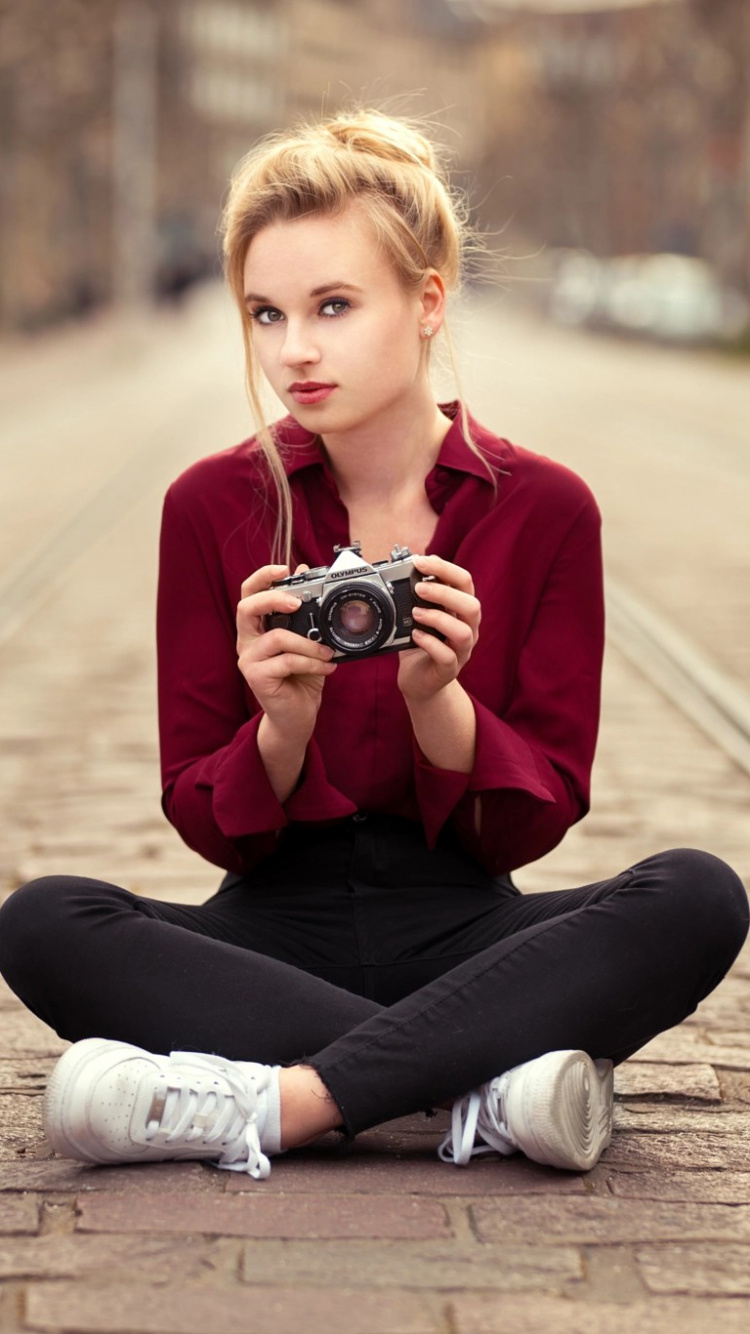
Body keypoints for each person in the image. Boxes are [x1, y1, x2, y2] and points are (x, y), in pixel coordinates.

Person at [0, 109, 746, 1182]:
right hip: (267, 930)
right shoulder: (212, 504)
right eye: (266, 313)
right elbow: (205, 817)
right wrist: (280, 728)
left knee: (699, 893)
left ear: (428, 299)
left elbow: (538, 816)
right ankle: (484, 1085)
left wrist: (442, 704)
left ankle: (279, 1101)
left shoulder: (544, 508)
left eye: (334, 306)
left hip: (467, 925)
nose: (294, 349)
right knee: (43, 919)